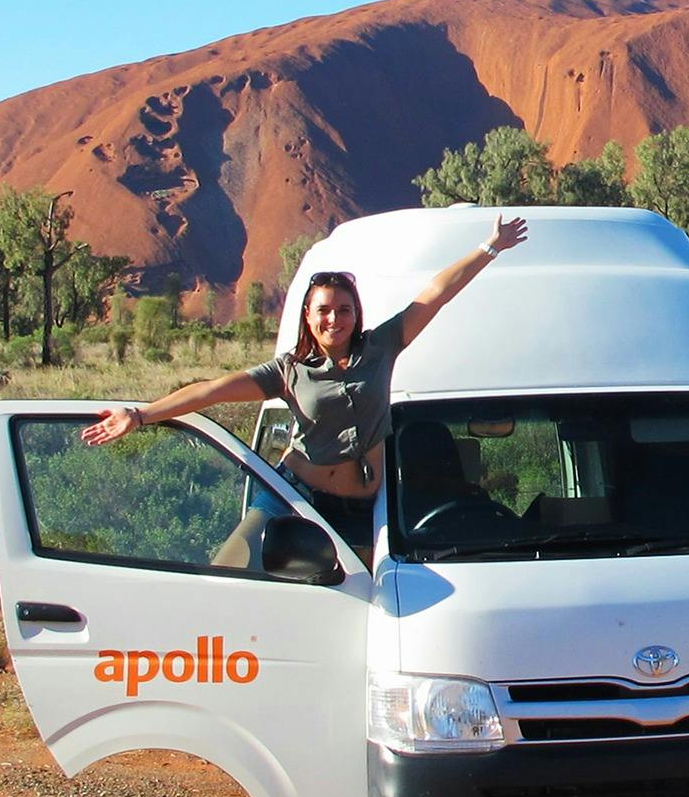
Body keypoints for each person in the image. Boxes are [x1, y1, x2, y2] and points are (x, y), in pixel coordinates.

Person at [81, 214, 531, 558]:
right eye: (324, 310)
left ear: (357, 315)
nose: (334, 318)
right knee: (230, 573)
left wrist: (490, 247)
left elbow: (436, 292)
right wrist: (140, 415)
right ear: (308, 317)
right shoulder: (288, 371)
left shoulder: (382, 347)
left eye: (344, 309)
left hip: (364, 511)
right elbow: (212, 390)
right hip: (294, 497)